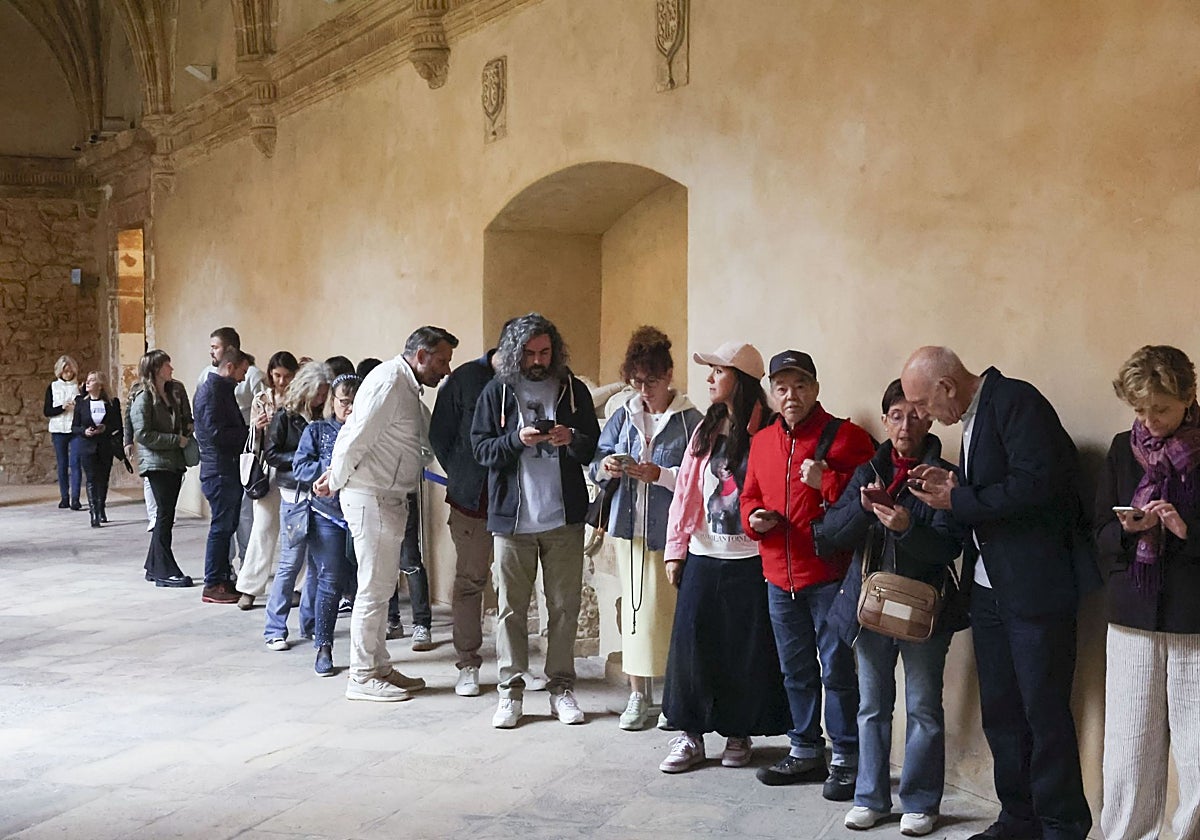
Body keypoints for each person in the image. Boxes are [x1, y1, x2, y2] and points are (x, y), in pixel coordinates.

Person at [900, 346, 1099, 840]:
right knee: (1003, 713)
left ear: (947, 386)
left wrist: (959, 497)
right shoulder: (975, 415)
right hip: (990, 590)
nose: (923, 417)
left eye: (924, 403)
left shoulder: (1016, 402)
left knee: (1044, 713)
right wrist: (953, 484)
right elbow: (998, 485)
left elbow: (1041, 487)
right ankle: (1018, 818)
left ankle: (1062, 826)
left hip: (1036, 591)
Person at [819, 379, 966, 836]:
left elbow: (949, 546)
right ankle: (870, 798)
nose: (906, 425)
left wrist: (905, 527)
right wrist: (864, 511)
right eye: (897, 416)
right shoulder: (868, 472)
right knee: (872, 707)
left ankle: (921, 801)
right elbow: (830, 536)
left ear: (931, 417)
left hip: (923, 611)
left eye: (916, 414)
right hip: (871, 608)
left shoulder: (944, 474)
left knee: (924, 708)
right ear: (885, 421)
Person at [740, 350, 875, 796]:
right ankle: (804, 750)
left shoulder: (848, 438)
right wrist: (753, 520)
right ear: (773, 394)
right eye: (782, 387)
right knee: (795, 670)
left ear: (815, 388)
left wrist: (828, 482)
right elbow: (748, 497)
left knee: (837, 668)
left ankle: (845, 758)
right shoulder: (760, 442)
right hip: (778, 574)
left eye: (800, 385)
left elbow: (870, 500)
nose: (791, 395)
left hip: (830, 576)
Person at [657, 341, 791, 772]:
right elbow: (685, 493)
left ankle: (738, 732)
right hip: (703, 553)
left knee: (745, 650)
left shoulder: (769, 430)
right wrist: (676, 550)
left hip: (752, 558)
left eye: (718, 370)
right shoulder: (705, 429)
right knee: (692, 645)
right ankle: (689, 735)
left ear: (742, 379)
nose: (710, 378)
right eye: (711, 371)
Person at [471, 313, 600, 728]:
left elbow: (591, 448)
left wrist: (571, 439)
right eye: (529, 353)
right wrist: (515, 440)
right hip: (512, 521)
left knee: (563, 607)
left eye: (545, 352)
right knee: (511, 608)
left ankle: (561, 687)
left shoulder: (573, 390)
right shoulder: (497, 392)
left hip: (563, 518)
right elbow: (481, 451)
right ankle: (510, 691)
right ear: (515, 353)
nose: (538, 360)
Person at [316, 326, 457, 702]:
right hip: (371, 495)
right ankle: (361, 676)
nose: (445, 370)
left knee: (381, 587)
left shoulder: (405, 385)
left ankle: (378, 665)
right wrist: (335, 478)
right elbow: (355, 434)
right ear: (422, 356)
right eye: (442, 361)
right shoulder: (390, 382)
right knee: (374, 590)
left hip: (387, 495)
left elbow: (420, 439)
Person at [1095, 345, 1200, 840]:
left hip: (1193, 616)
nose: (1150, 420)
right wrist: (1130, 529)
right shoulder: (1122, 449)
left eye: (1160, 408)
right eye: (1140, 409)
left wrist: (1185, 531)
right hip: (1131, 611)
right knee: (1128, 743)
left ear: (1188, 397)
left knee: (1198, 749)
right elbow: (1098, 534)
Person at [590, 327, 701, 730]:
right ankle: (638, 695)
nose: (644, 389)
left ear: (669, 374)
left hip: (669, 533)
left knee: (667, 616)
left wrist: (662, 475)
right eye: (636, 381)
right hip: (628, 526)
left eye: (651, 380)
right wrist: (607, 467)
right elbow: (598, 459)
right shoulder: (623, 414)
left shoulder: (691, 421)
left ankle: (673, 696)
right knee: (634, 614)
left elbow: (699, 479)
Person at [429, 334, 502, 697]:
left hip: (518, 504)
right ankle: (468, 663)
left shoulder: (532, 380)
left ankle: (513, 665)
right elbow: (440, 436)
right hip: (472, 501)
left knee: (515, 589)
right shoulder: (463, 380)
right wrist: (462, 473)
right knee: (470, 582)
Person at [296, 373, 362, 676]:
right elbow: (301, 466)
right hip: (327, 516)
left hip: (362, 514)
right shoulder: (317, 430)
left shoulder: (367, 432)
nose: (348, 408)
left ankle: (367, 652)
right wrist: (333, 469)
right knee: (330, 581)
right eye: (343, 402)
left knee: (365, 584)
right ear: (332, 402)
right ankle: (323, 646)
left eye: (354, 402)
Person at [261, 362, 327, 650]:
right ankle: (274, 628)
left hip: (320, 495)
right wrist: (302, 458)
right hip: (294, 495)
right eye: (319, 393)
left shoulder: (322, 417)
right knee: (290, 563)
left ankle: (310, 624)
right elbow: (272, 454)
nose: (323, 399)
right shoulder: (285, 416)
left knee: (317, 564)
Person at [236, 350, 300, 609]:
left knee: (296, 529)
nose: (282, 381)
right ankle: (250, 587)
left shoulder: (298, 400)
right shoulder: (261, 399)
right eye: (277, 376)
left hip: (293, 467)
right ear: (270, 375)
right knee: (262, 526)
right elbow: (252, 437)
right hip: (266, 468)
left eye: (286, 376)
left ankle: (297, 586)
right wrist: (258, 426)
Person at [131, 350, 194, 587]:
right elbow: (143, 433)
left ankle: (152, 565)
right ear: (157, 369)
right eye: (168, 365)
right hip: (157, 463)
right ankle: (165, 570)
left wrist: (186, 429)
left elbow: (180, 421)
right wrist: (174, 441)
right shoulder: (144, 397)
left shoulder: (171, 393)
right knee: (164, 517)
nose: (172, 369)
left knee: (166, 516)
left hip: (174, 462)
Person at [194, 347, 250, 604]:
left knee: (226, 526)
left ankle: (223, 579)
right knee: (220, 527)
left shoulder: (221, 391)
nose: (243, 378)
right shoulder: (212, 393)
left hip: (225, 469)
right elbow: (216, 435)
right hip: (219, 470)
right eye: (242, 372)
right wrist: (249, 433)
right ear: (230, 367)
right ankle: (213, 583)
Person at [72, 371, 123, 527]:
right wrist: (84, 431)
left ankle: (101, 508)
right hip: (87, 446)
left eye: (92, 380)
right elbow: (74, 427)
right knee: (92, 479)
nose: (87, 383)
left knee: (103, 478)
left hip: (105, 445)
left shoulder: (112, 403)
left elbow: (118, 426)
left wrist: (105, 428)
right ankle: (93, 513)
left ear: (100, 385)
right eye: (87, 380)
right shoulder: (81, 402)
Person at [44, 355, 82, 510]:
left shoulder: (79, 387)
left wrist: (77, 406)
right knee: (62, 464)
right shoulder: (52, 387)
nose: (67, 374)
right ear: (60, 372)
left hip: (75, 429)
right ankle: (64, 497)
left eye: (70, 371)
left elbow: (86, 409)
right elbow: (47, 411)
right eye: (64, 371)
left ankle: (75, 498)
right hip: (58, 429)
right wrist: (62, 407)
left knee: (75, 464)